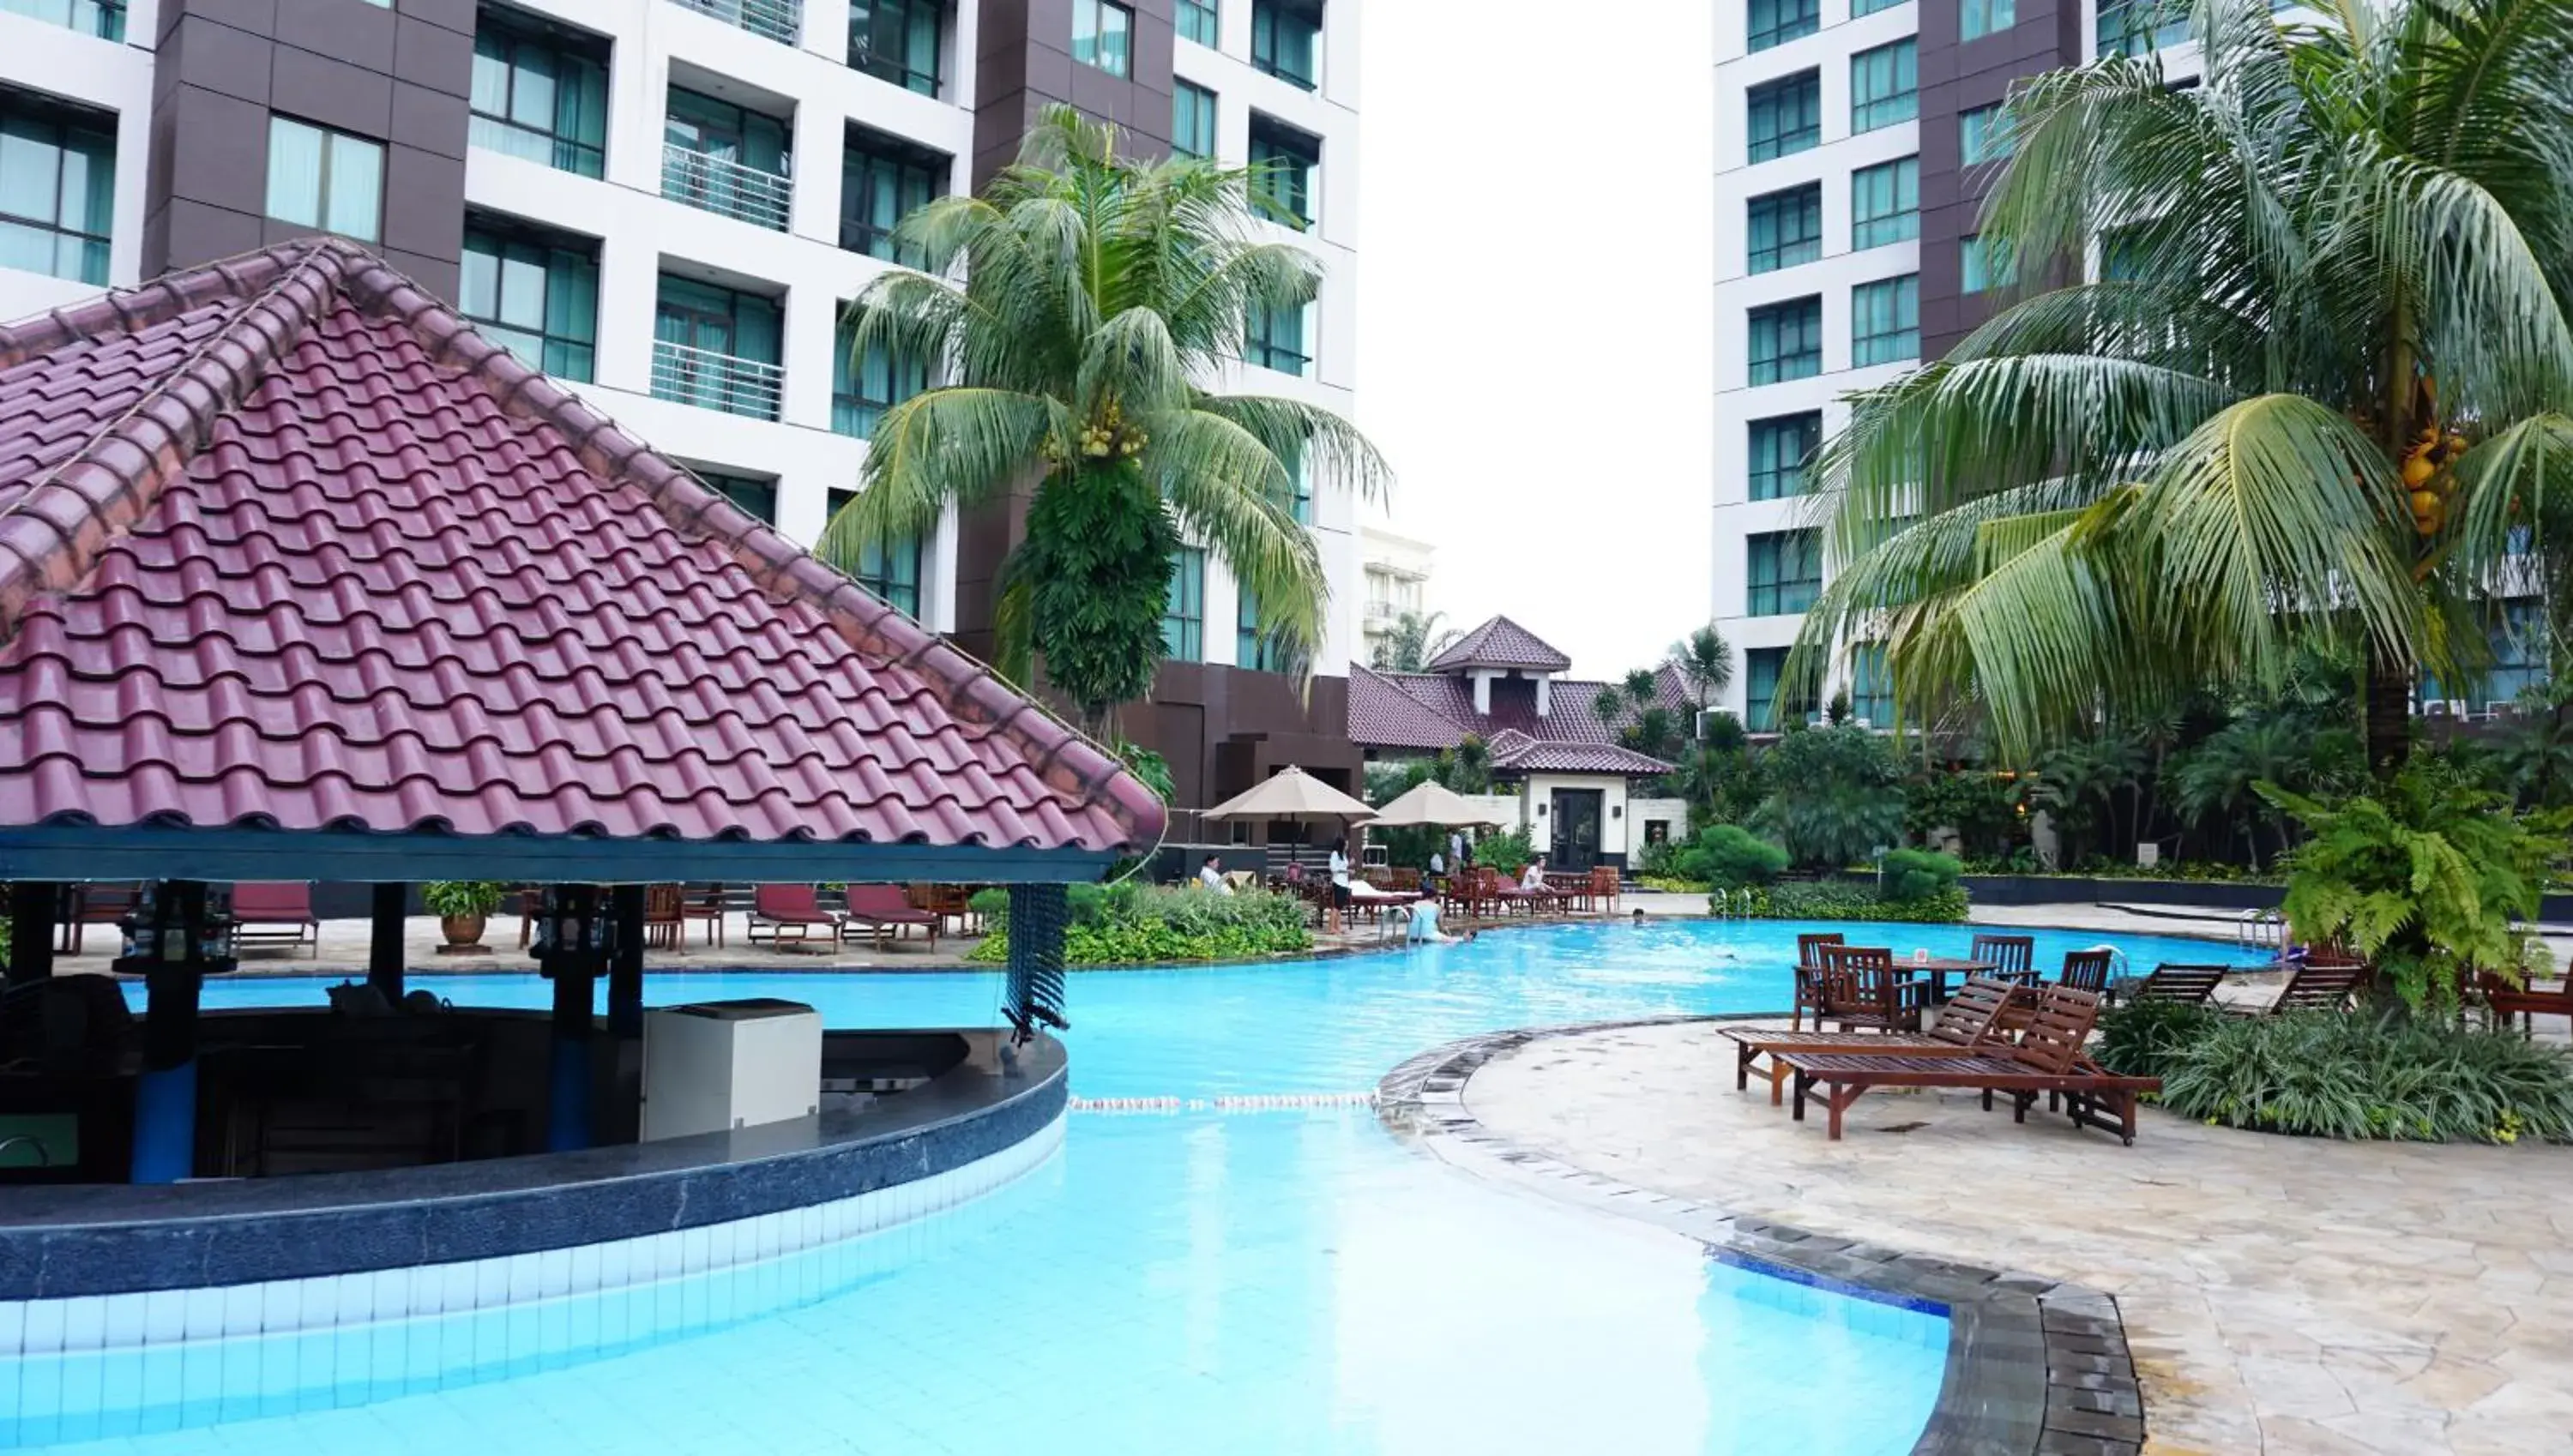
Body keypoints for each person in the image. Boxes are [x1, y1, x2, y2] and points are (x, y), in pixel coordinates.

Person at [1406, 898, 1473, 946]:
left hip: (1411, 935)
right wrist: (1446, 930)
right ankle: (1465, 939)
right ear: (1434, 898)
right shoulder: (1437, 907)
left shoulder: (1416, 903)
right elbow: (1441, 927)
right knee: (1452, 941)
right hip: (1428, 936)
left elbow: (1411, 919)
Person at [1328, 835, 1352, 933]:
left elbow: (1343, 867)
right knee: (1336, 906)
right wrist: (1345, 871)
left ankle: (1338, 927)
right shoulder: (1335, 854)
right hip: (1338, 882)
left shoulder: (1343, 855)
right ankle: (1331, 928)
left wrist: (1349, 867)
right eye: (1346, 845)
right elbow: (1333, 868)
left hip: (1344, 882)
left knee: (1340, 906)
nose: (1347, 847)